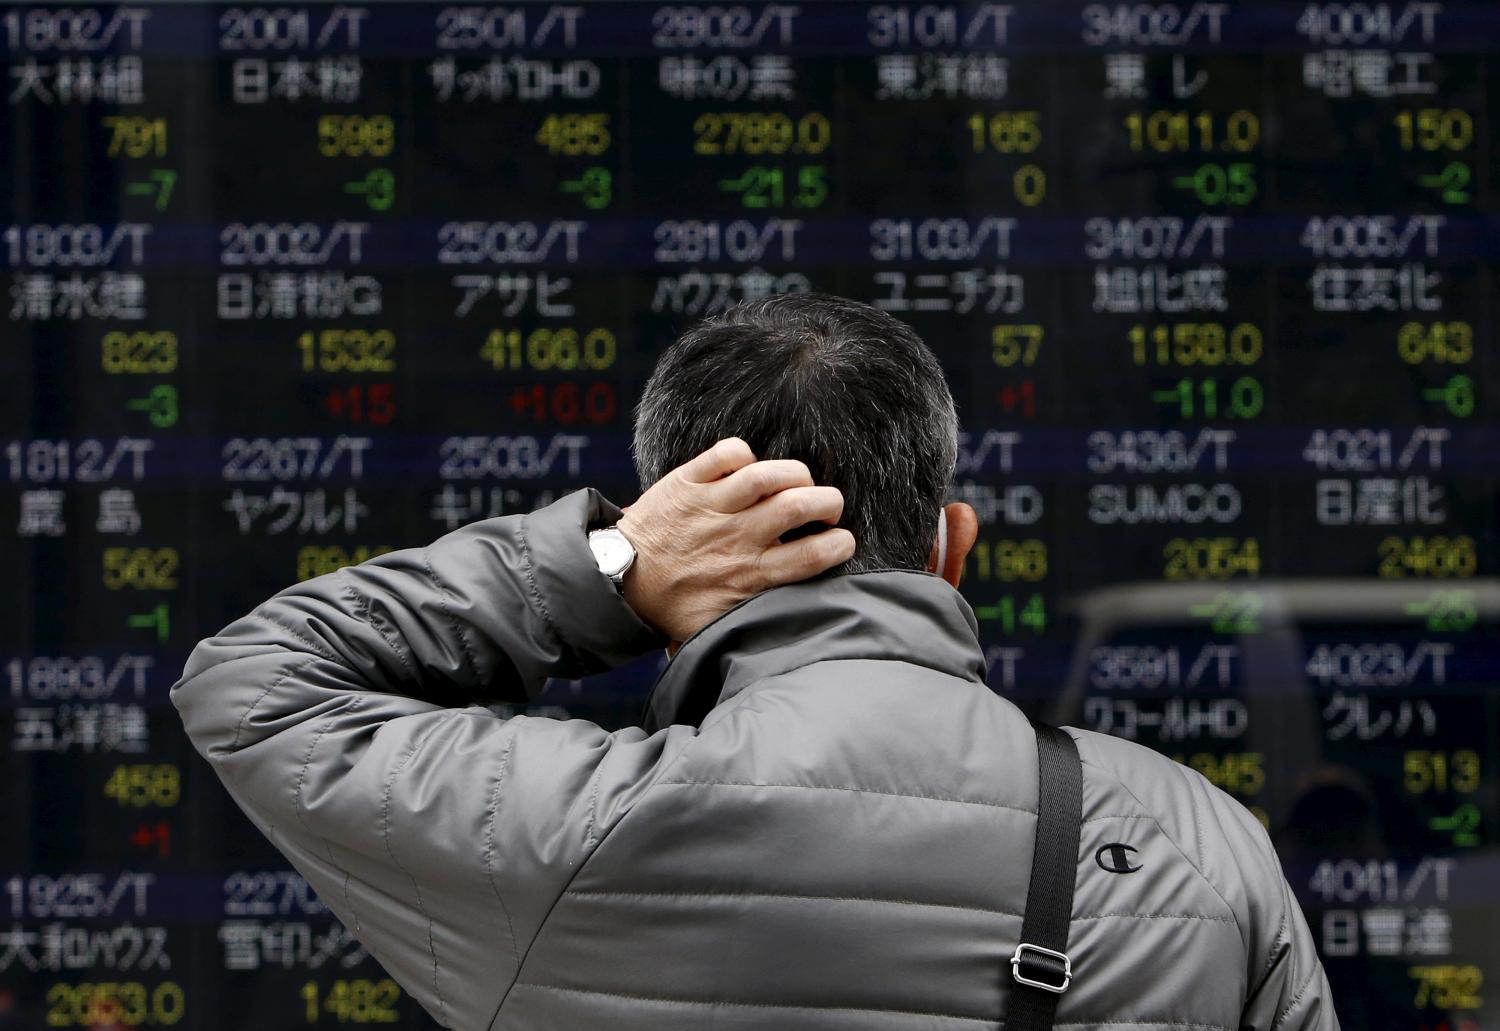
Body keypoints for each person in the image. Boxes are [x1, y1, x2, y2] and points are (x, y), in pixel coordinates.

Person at [173, 293, 1338, 1030]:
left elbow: (251, 684)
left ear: (685, 543)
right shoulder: (1201, 842)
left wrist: (614, 564)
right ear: (953, 545)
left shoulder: (569, 825)